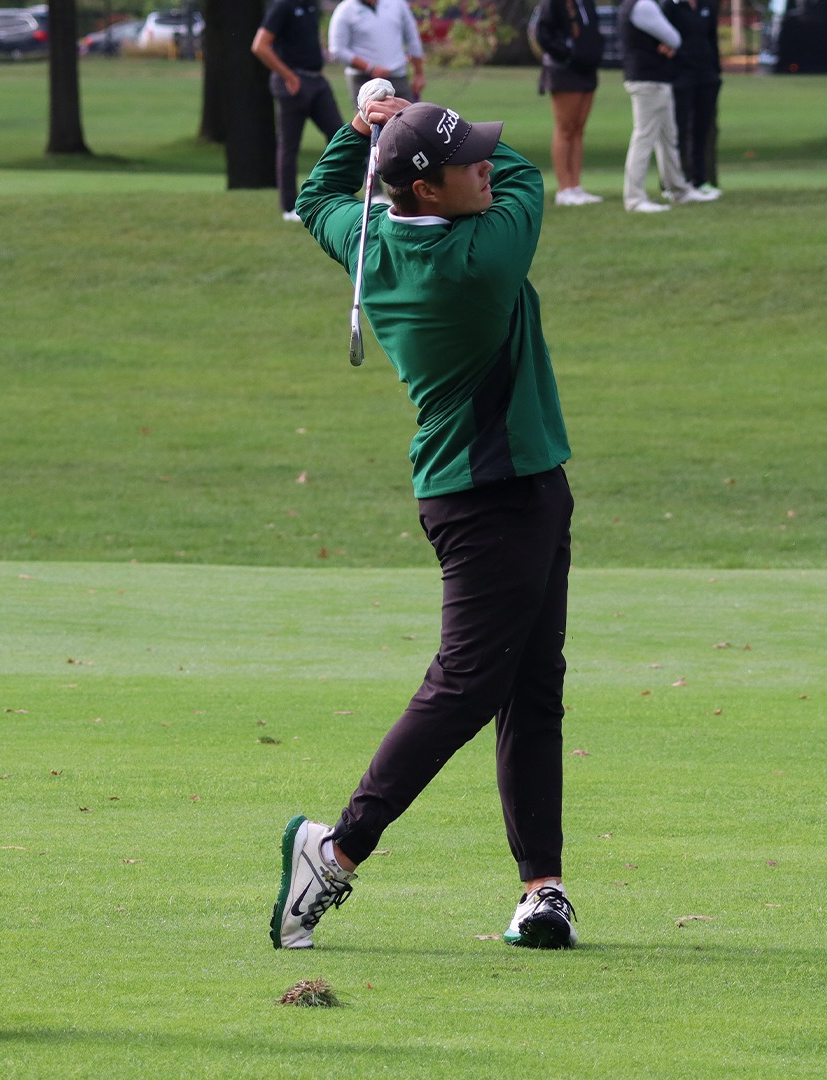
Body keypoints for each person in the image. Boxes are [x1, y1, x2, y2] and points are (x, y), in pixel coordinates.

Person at [273, 96, 578, 952]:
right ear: (427, 190)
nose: (485, 163)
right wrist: (403, 119)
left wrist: (359, 132)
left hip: (514, 486)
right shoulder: (480, 258)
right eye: (465, 160)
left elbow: (318, 195)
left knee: (531, 687)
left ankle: (542, 890)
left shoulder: (370, 243)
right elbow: (524, 176)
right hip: (492, 495)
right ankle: (336, 850)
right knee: (469, 685)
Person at [617, 0, 715, 213]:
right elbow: (673, 38)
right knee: (644, 137)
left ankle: (678, 189)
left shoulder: (633, 5)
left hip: (657, 79)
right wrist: (669, 44)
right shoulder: (643, 6)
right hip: (648, 80)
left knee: (668, 138)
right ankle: (634, 198)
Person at [252, 0, 344, 223]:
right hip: (292, 82)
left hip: (317, 80)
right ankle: (289, 206)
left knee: (341, 137)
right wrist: (287, 75)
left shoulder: (311, 5)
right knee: (289, 146)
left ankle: (338, 194)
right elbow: (260, 46)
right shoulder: (283, 6)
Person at [530, 0, 606, 206]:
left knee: (578, 129)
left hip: (587, 70)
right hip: (564, 71)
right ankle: (564, 188)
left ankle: (575, 185)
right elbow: (543, 34)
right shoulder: (553, 3)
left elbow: (593, 30)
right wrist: (567, 53)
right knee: (565, 129)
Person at [326, 0, 425, 113]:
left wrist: (418, 73)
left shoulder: (397, 4)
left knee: (408, 120)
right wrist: (369, 68)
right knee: (371, 122)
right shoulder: (345, 9)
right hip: (364, 81)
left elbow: (412, 38)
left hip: (398, 77)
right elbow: (337, 49)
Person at [665, 0, 721, 196]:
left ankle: (699, 179)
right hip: (681, 76)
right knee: (678, 130)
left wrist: (716, 72)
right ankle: (674, 181)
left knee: (701, 130)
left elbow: (711, 39)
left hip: (706, 76)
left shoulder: (706, 6)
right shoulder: (671, 6)